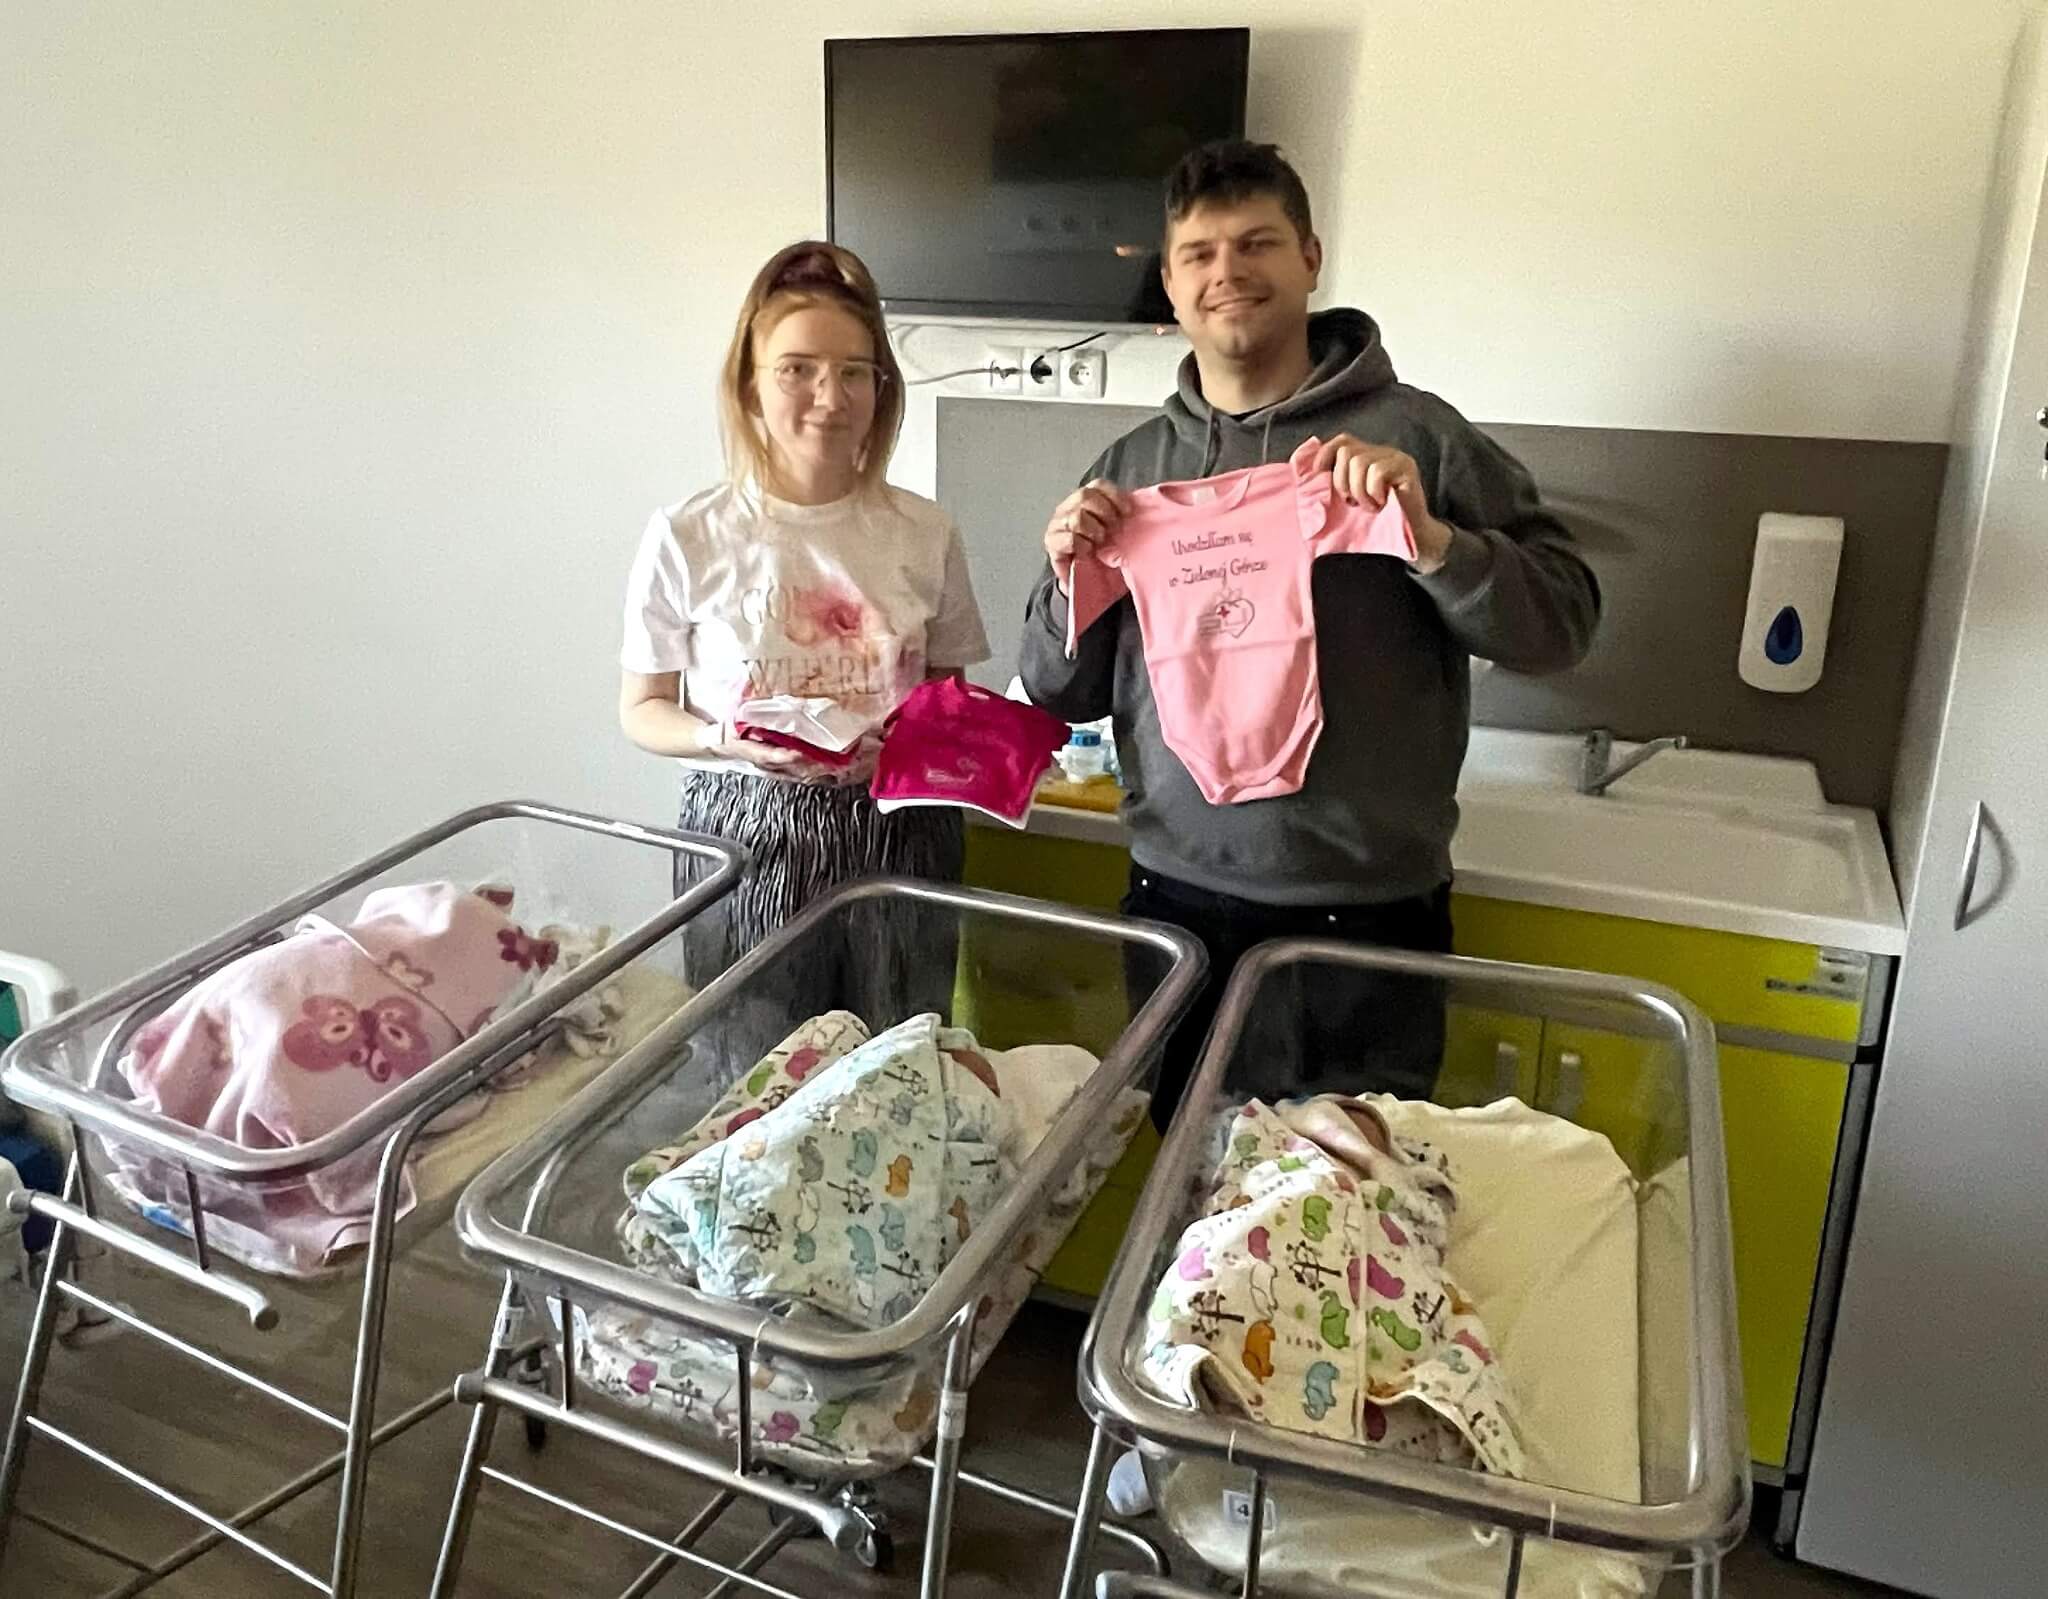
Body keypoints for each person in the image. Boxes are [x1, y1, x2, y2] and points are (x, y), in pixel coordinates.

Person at [1018, 142, 1600, 1122]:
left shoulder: (1418, 441)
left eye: (1256, 243)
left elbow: (1564, 624)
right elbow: (1056, 689)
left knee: (1359, 1197)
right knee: (1186, 1186)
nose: (1227, 272)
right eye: (1199, 254)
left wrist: (1432, 541)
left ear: (1310, 258)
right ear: (1170, 285)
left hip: (1366, 928)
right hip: (1175, 910)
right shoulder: (1131, 469)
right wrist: (1067, 579)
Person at [619, 240, 990, 1016]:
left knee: (900, 1054)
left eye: (854, 371)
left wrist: (920, 743)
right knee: (752, 1059)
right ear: (750, 386)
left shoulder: (924, 531)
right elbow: (643, 708)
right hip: (746, 829)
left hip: (904, 825)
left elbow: (947, 694)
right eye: (798, 369)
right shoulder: (689, 534)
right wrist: (723, 739)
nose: (830, 396)